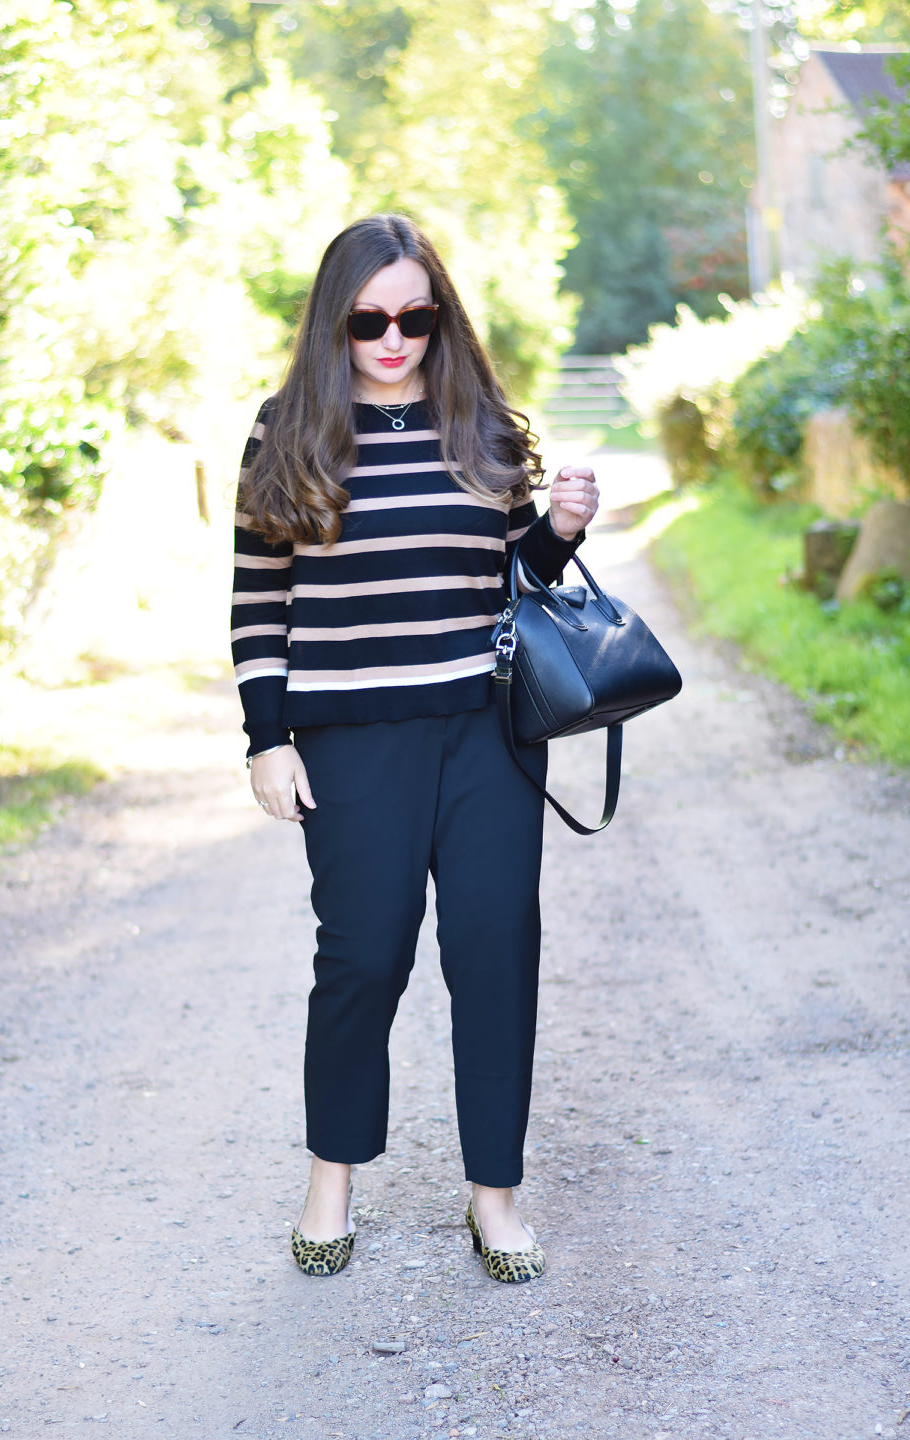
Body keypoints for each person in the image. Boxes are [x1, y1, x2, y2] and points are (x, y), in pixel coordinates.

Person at [231, 214, 599, 1283]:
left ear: (441, 319)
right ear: (334, 319)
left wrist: (559, 531)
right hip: (350, 744)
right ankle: (331, 1180)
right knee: (361, 959)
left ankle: (494, 1197)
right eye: (369, 320)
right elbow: (259, 604)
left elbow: (514, 581)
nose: (393, 340)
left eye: (415, 318)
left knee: (494, 951)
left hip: (489, 736)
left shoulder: (482, 426)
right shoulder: (288, 431)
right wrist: (268, 739)